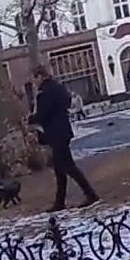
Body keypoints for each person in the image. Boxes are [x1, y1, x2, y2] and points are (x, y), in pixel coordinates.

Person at [29, 63, 100, 210]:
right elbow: (67, 102)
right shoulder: (59, 87)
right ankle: (60, 201)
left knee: (68, 166)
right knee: (59, 168)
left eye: (34, 79)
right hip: (63, 130)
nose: (34, 83)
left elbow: (43, 115)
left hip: (55, 133)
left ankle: (90, 195)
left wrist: (30, 119)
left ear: (40, 77)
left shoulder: (45, 92)